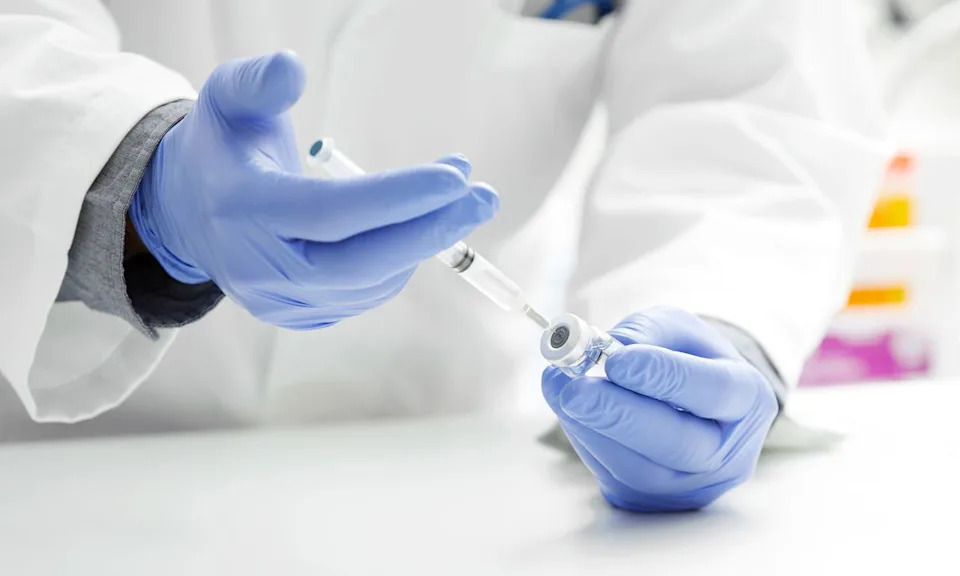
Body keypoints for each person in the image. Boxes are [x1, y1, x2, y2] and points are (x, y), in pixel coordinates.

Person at [0, 0, 889, 512]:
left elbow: (749, 105)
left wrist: (711, 321)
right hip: (47, 482)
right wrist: (132, 175)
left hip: (444, 476)